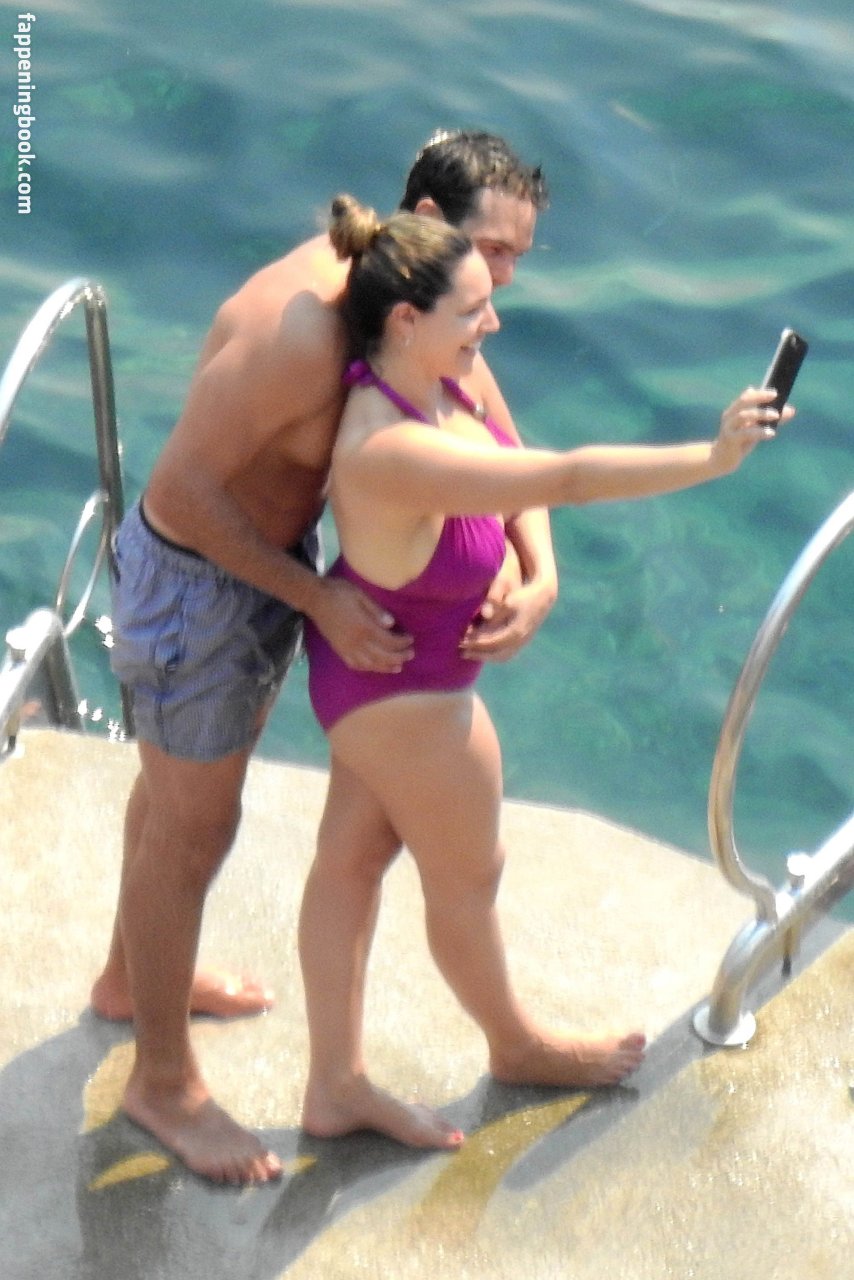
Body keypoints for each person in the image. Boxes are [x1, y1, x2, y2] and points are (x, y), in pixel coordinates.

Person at [91, 131, 556, 1184]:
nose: (502, 283)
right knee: (192, 829)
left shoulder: (422, 303)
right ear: (428, 223)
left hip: (269, 564)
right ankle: (161, 1083)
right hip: (198, 580)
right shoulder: (304, 326)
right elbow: (181, 493)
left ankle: (130, 980)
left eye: (517, 260)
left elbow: (499, 435)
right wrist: (319, 599)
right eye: (492, 250)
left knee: (172, 803)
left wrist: (540, 571)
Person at [297, 195, 795, 1152]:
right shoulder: (393, 447)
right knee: (467, 880)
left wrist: (534, 574)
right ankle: (515, 1045)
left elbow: (510, 461)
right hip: (407, 696)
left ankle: (335, 1085)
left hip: (375, 678)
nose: (493, 323)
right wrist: (713, 458)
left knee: (349, 861)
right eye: (472, 309)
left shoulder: (427, 379)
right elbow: (563, 476)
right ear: (406, 319)